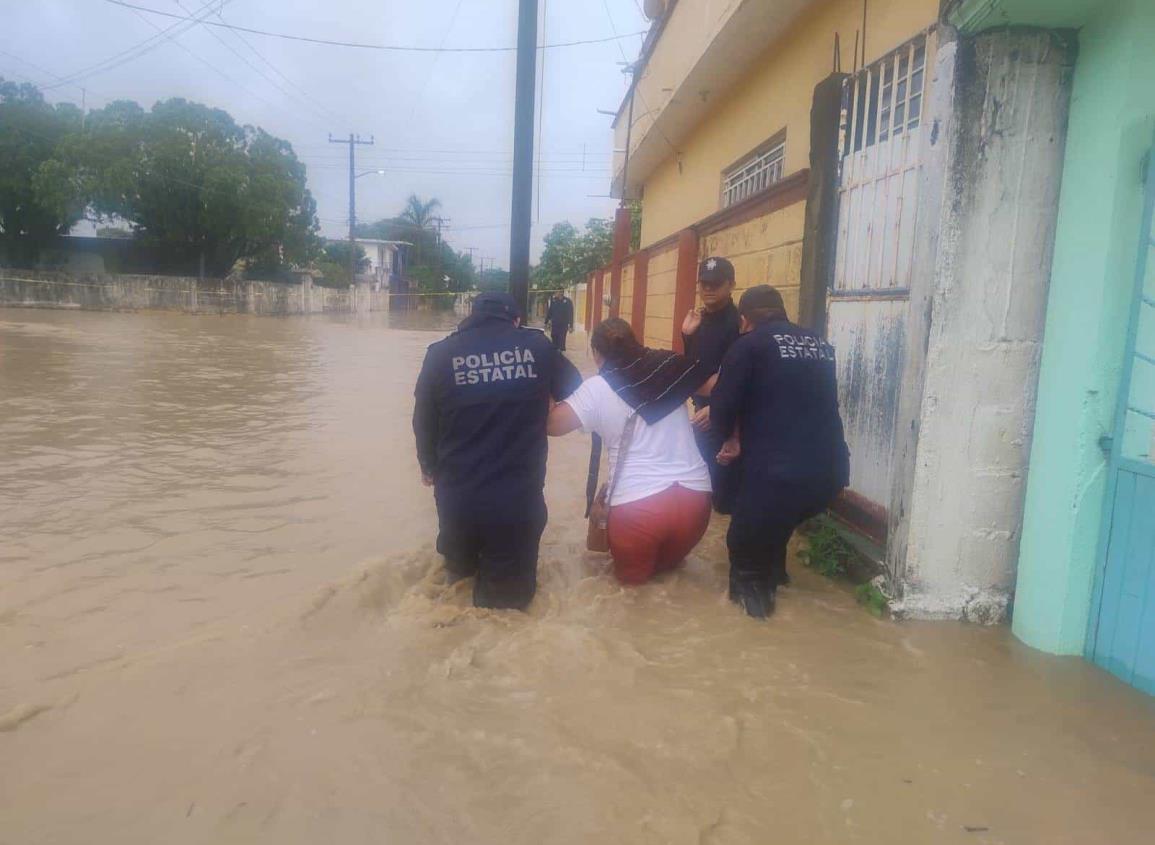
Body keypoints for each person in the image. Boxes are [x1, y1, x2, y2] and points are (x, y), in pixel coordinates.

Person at [413, 292, 582, 610]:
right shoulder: (537, 347)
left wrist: (427, 465)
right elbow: (577, 390)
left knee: (457, 583)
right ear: (515, 320)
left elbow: (423, 419)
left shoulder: (439, 354)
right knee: (505, 610)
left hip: (456, 499)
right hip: (516, 501)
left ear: (470, 317)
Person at [711, 286, 850, 619]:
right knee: (776, 527)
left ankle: (755, 613)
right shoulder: (820, 345)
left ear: (744, 320)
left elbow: (722, 407)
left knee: (744, 542)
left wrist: (725, 441)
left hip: (777, 474)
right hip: (829, 475)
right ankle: (777, 577)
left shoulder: (748, 346)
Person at [547, 318, 713, 586]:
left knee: (631, 598)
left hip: (638, 509)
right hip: (696, 501)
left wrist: (543, 378)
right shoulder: (670, 366)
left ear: (596, 353)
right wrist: (713, 410)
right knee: (670, 580)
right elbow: (720, 386)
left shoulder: (595, 389)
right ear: (636, 342)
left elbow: (552, 425)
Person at [681, 256, 742, 513]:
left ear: (731, 285)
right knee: (705, 474)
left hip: (726, 413)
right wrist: (686, 336)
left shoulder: (738, 323)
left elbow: (739, 375)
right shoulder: (699, 319)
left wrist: (717, 408)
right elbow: (693, 364)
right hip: (702, 407)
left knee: (723, 491)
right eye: (704, 283)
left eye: (716, 284)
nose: (708, 289)